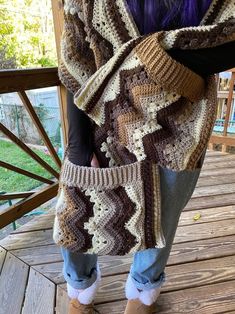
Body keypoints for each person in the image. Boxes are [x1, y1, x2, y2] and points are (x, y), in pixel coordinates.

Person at [57, 1, 235, 313]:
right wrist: (77, 145)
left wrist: (152, 54)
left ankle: (142, 291)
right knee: (79, 211)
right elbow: (75, 57)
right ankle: (79, 286)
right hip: (99, 117)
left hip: (180, 127)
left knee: (162, 219)